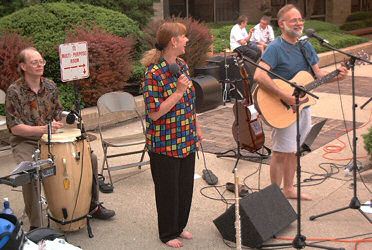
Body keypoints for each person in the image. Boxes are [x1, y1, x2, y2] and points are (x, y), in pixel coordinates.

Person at [5, 47, 115, 231]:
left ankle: (92, 205)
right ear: (23, 66)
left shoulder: (50, 86)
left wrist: (68, 118)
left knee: (90, 158)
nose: (40, 65)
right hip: (26, 140)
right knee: (30, 172)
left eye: (41, 61)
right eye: (34, 62)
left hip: (51, 138)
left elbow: (57, 112)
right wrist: (42, 129)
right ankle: (36, 225)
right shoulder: (14, 91)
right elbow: (15, 128)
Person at [254, 4, 348, 201]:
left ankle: (289, 189)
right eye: (294, 20)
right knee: (280, 152)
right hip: (283, 107)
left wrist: (337, 76)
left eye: (300, 19)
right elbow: (259, 75)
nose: (299, 23)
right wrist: (285, 96)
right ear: (281, 24)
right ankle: (274, 195)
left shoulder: (306, 46)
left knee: (295, 150)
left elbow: (318, 75)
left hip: (303, 105)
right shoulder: (275, 47)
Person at [140, 22, 203, 248]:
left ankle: (179, 226)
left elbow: (190, 102)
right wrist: (177, 91)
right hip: (164, 142)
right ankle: (167, 233)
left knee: (185, 187)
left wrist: (196, 127)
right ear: (173, 41)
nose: (187, 40)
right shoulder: (153, 74)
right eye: (184, 37)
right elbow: (155, 113)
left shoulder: (182, 65)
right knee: (168, 190)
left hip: (186, 137)